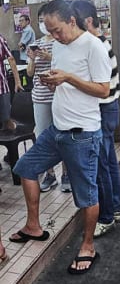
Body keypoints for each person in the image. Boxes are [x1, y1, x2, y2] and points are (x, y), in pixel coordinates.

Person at [11, 0, 111, 275]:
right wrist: (54, 80)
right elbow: (65, 79)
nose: (53, 36)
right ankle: (33, 225)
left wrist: (68, 78)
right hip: (57, 129)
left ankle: (88, 246)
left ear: (71, 21)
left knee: (86, 194)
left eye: (56, 30)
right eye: (48, 31)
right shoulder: (57, 45)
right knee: (25, 169)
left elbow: (104, 90)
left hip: (82, 134)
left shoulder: (93, 46)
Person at [74, 0, 120, 238]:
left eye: (74, 22)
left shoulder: (96, 46)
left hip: (103, 110)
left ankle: (106, 217)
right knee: (109, 162)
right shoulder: (100, 42)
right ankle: (116, 208)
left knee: (101, 167)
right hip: (110, 108)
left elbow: (100, 88)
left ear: (89, 22)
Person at [25, 13, 64, 192]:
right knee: (43, 137)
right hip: (40, 97)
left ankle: (66, 173)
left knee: (62, 135)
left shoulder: (61, 42)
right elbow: (30, 73)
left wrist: (49, 57)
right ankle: (50, 174)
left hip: (58, 95)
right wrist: (32, 58)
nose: (43, 24)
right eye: (40, 20)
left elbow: (64, 66)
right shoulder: (37, 43)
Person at [0, 30, 23, 131]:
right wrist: (17, 81)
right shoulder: (0, 39)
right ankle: (12, 142)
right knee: (7, 121)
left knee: (7, 122)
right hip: (1, 88)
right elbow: (11, 59)